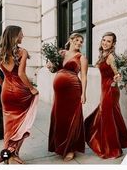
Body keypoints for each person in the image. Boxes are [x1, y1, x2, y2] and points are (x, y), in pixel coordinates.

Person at [84, 32, 127, 159]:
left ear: (113, 44)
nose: (105, 43)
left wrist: (115, 80)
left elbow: (118, 74)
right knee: (109, 116)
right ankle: (114, 144)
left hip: (110, 89)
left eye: (108, 41)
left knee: (107, 117)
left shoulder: (111, 57)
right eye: (104, 40)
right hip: (105, 89)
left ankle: (113, 150)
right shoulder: (103, 55)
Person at [0, 25, 39, 164]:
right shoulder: (22, 52)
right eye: (21, 34)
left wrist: (4, 85)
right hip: (20, 92)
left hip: (6, 92)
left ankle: (8, 156)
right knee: (21, 124)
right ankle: (13, 153)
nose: (23, 36)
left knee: (9, 126)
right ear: (15, 36)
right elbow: (21, 74)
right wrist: (32, 88)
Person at [48, 33, 88, 161]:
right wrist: (50, 66)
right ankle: (59, 146)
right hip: (59, 93)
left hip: (73, 90)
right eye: (77, 40)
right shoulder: (61, 53)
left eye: (81, 41)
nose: (79, 42)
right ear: (70, 40)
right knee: (59, 117)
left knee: (72, 118)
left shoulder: (81, 57)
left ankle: (70, 148)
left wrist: (84, 93)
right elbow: (55, 69)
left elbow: (84, 76)